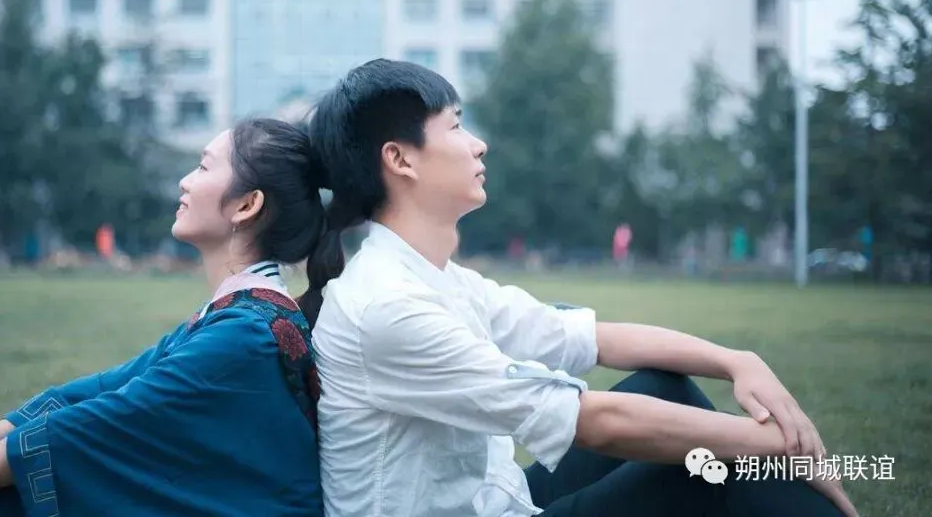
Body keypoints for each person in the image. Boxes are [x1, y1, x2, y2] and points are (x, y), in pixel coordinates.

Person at [300, 59, 859, 517]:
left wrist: (738, 361)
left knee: (663, 389)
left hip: (502, 501)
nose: (478, 145)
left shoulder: (439, 278)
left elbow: (593, 338)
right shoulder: (388, 306)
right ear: (399, 159)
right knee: (702, 466)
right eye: (456, 127)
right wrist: (784, 448)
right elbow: (596, 423)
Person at [0, 118, 326, 517]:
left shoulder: (246, 333)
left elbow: (93, 423)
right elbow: (90, 394)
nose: (185, 181)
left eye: (204, 167)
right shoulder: (242, 314)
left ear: (247, 205)